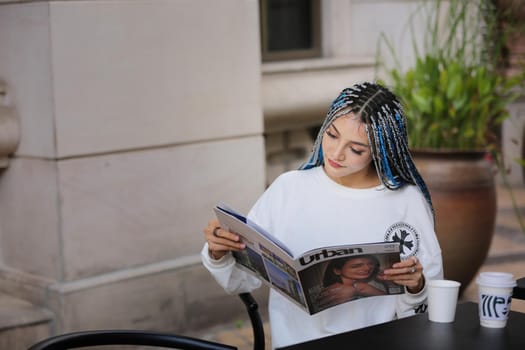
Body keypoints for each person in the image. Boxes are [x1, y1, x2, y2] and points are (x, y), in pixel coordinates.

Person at [202, 81, 443, 348]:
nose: (336, 153)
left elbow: (431, 302)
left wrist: (416, 285)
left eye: (356, 149)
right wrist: (219, 252)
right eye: (331, 135)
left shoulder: (406, 201)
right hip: (295, 342)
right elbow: (241, 280)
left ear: (380, 151)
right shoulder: (289, 188)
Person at [316, 255, 387, 309]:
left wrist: (361, 288)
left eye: (370, 264)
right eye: (356, 266)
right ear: (337, 270)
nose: (367, 268)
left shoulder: (375, 283)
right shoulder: (325, 291)